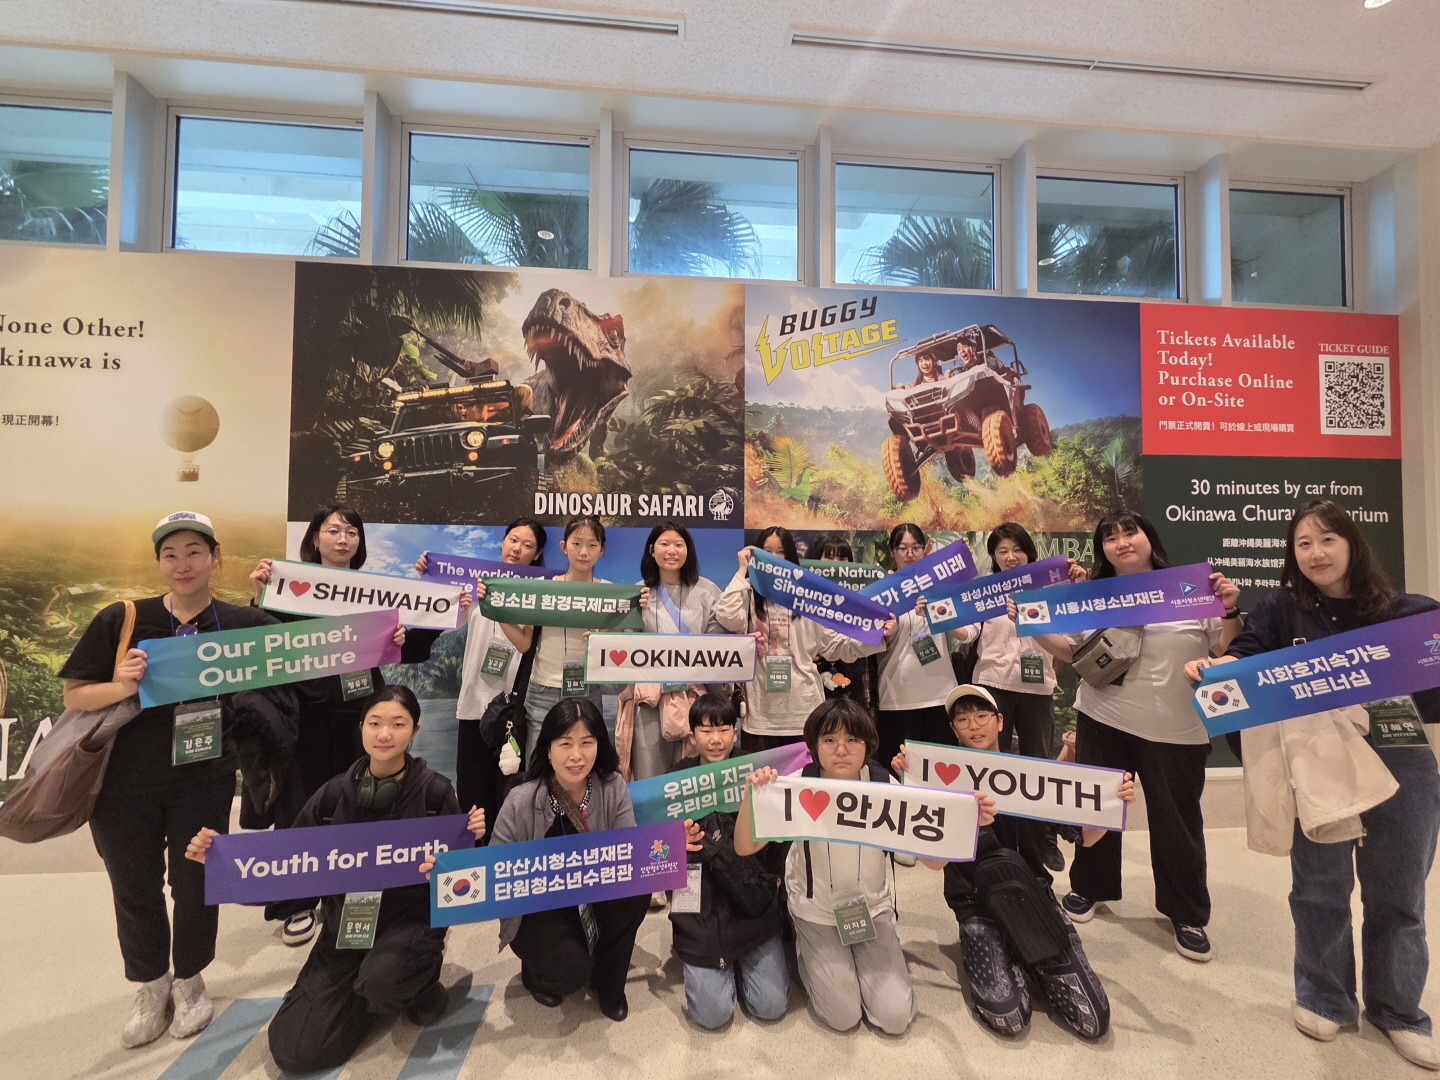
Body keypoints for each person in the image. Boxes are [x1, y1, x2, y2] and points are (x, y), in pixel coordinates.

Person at [1188, 500, 1440, 1069]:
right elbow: (1246, 658)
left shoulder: (1404, 611)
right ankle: (1325, 996)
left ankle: (1398, 1010)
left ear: (1353, 545)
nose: (1315, 553)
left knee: (1399, 892)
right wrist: (1216, 667)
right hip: (1313, 761)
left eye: (1327, 540)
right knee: (1319, 886)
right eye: (1303, 543)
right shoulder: (1281, 609)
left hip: (1401, 759)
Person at [59, 512, 280, 1049]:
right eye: (170, 554)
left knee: (195, 881)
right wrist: (121, 685)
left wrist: (385, 639)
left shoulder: (240, 623)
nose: (183, 565)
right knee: (134, 885)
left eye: (194, 552)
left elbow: (311, 652)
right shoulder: (123, 618)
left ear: (214, 557)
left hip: (203, 779)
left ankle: (190, 979)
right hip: (122, 785)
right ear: (159, 562)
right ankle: (151, 984)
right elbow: (74, 695)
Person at [188, 686, 484, 1074]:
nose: (385, 734)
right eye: (375, 723)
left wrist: (457, 855)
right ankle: (363, 988)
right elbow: (285, 866)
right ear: (361, 727)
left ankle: (418, 987)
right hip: (347, 924)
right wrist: (220, 861)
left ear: (415, 730)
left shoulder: (435, 793)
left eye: (398, 724)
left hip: (409, 920)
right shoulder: (330, 797)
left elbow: (462, 886)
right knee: (295, 1050)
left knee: (383, 981)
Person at [1023, 510, 1242, 962]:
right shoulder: (1094, 595)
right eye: (1110, 537)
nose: (1121, 543)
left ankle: (1187, 912)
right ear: (1102, 549)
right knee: (1098, 809)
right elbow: (1072, 651)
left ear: (1149, 538)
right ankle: (1090, 886)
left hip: (1175, 728)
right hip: (1102, 717)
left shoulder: (1190, 587)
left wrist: (1230, 608)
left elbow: (1225, 647)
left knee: (1177, 823)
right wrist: (1031, 624)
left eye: (1130, 533)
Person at [250, 504, 444, 947]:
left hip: (362, 716)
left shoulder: (373, 592)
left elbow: (409, 650)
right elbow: (262, 643)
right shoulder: (289, 585)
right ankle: (297, 901)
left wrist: (404, 637)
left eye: (352, 532)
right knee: (300, 806)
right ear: (315, 537)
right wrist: (260, 595)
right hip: (305, 716)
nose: (343, 539)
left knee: (363, 804)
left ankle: (356, 892)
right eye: (333, 530)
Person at [892, 685, 1128, 1039]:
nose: (974, 725)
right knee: (1008, 1018)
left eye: (982, 716)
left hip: (1033, 901)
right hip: (977, 907)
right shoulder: (940, 780)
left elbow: (1087, 838)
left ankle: (1030, 955)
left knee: (1093, 1019)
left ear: (1000, 721)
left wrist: (1112, 806)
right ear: (953, 729)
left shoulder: (1032, 774)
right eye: (963, 719)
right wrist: (920, 790)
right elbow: (933, 864)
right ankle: (1010, 953)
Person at [735, 699, 977, 1034]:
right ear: (813, 745)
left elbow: (934, 863)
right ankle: (801, 948)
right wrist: (752, 795)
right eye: (829, 740)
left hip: (872, 909)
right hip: (815, 910)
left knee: (894, 1019)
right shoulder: (797, 784)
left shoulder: (883, 784)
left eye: (852, 739)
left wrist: (961, 820)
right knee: (842, 1016)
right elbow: (745, 847)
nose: (841, 750)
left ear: (867, 744)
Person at [489, 698, 651, 1021]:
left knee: (638, 890)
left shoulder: (613, 786)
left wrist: (670, 846)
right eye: (565, 744)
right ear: (548, 750)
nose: (577, 755)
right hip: (538, 909)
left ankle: (608, 983)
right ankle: (535, 972)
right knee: (570, 972)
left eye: (586, 743)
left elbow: (629, 854)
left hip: (593, 894)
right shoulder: (521, 800)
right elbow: (495, 870)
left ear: (598, 746)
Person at [956, 522, 1084, 871]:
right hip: (992, 684)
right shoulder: (986, 591)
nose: (1010, 556)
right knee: (990, 764)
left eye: (1017, 549)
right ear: (994, 556)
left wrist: (1077, 588)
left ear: (1029, 552)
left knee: (1036, 765)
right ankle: (993, 837)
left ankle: (1041, 836)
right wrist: (945, 618)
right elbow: (969, 632)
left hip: (1036, 688)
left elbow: (1071, 634)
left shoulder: (1052, 586)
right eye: (1002, 550)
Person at [415, 518, 547, 826]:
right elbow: (444, 621)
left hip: (515, 713)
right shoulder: (473, 584)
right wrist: (430, 577)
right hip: (473, 706)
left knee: (510, 794)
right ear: (502, 541)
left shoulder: (539, 591)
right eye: (513, 540)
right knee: (473, 798)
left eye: (527, 545)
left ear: (538, 553)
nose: (518, 549)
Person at [667, 695, 788, 1029]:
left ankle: (742, 960)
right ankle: (718, 967)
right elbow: (656, 850)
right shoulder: (675, 780)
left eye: (723, 729)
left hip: (751, 896)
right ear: (692, 735)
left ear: (736, 732)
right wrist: (677, 841)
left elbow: (780, 840)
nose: (716, 739)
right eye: (706, 731)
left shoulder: (755, 771)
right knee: (713, 1015)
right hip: (701, 902)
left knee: (771, 1006)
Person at [714, 527, 892, 753]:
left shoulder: (808, 598)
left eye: (781, 552)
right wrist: (742, 570)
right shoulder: (748, 594)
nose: (774, 558)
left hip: (803, 712)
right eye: (767, 552)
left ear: (790, 557)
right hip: (760, 717)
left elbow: (837, 646)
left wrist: (877, 634)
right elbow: (726, 615)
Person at [631, 521, 725, 780]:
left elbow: (719, 637)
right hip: (651, 701)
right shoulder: (639, 592)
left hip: (695, 697)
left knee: (694, 776)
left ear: (688, 550)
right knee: (651, 775)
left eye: (678, 545)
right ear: (652, 550)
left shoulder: (707, 590)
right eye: (664, 544)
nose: (671, 551)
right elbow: (627, 642)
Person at [874, 523, 972, 768]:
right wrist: (887, 632)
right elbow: (865, 640)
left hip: (939, 696)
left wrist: (938, 616)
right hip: (896, 696)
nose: (909, 554)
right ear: (893, 551)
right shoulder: (883, 590)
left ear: (925, 549)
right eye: (902, 548)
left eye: (916, 547)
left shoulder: (941, 587)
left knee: (940, 770)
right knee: (897, 772)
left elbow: (968, 634)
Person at [522, 517, 611, 759]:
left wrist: (601, 639)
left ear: (602, 550)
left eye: (592, 545)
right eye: (576, 543)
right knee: (539, 765)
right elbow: (524, 643)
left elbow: (611, 649)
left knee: (585, 764)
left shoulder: (610, 592)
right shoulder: (542, 587)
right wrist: (499, 613)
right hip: (542, 691)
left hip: (588, 691)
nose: (584, 552)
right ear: (563, 547)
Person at [809, 534, 877, 708]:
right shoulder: (805, 596)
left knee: (854, 721)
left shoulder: (861, 594)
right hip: (815, 677)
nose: (835, 563)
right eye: (829, 557)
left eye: (841, 558)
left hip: (854, 673)